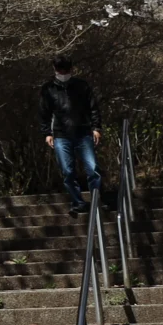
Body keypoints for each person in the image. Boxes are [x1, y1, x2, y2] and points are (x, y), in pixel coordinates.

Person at [39, 55, 103, 214]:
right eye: (60, 70)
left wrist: (96, 127)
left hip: (83, 132)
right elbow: (44, 112)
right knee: (67, 171)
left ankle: (96, 200)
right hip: (61, 134)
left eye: (65, 70)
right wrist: (47, 133)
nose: (63, 72)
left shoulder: (82, 86)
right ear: (55, 70)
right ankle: (77, 202)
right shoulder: (48, 89)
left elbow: (93, 107)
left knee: (93, 168)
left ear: (71, 69)